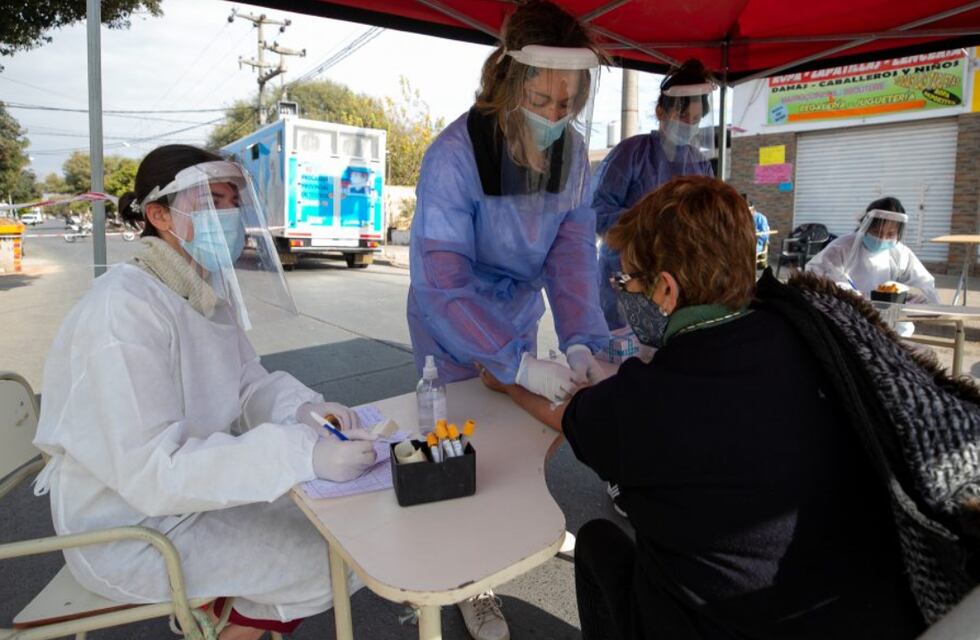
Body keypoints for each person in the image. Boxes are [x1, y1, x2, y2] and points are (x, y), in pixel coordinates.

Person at [479, 175, 925, 639]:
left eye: (628, 281)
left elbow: (566, 412)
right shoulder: (807, 336)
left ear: (666, 291)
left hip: (721, 626)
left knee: (597, 541)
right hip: (869, 616)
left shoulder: (643, 405)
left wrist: (510, 380)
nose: (624, 293)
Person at [32, 145, 378, 640]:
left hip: (192, 495)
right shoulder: (123, 310)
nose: (229, 216)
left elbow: (246, 386)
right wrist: (302, 453)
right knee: (328, 559)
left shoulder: (197, 291)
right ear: (158, 215)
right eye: (212, 202)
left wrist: (304, 411)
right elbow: (153, 471)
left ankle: (224, 613)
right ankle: (225, 620)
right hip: (131, 527)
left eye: (233, 201)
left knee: (346, 529)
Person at [406, 3, 608, 636]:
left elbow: (572, 258)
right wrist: (512, 361)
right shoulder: (454, 156)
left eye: (567, 103)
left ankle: (510, 534)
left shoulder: (573, 155)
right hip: (451, 324)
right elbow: (442, 281)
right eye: (541, 100)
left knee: (520, 442)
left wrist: (582, 341)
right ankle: (470, 579)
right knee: (455, 449)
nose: (553, 115)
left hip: (515, 316)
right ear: (508, 82)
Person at [592, 58, 715, 332]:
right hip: (626, 277)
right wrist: (648, 225)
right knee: (624, 343)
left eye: (695, 120)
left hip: (679, 282)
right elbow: (596, 211)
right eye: (683, 117)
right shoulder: (632, 154)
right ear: (661, 112)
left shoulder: (700, 164)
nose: (689, 125)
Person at [806, 196, 938, 303]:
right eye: (876, 232)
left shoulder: (901, 254)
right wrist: (850, 294)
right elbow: (816, 276)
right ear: (864, 226)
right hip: (848, 310)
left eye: (890, 234)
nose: (882, 239)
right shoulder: (842, 247)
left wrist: (907, 292)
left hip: (891, 315)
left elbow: (926, 287)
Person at [742, 192, 770, 260]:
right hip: (743, 242)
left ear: (752, 209)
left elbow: (765, 235)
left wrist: (756, 233)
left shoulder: (761, 218)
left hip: (757, 243)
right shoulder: (743, 218)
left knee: (748, 250)